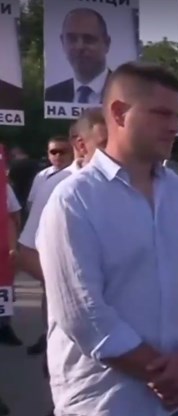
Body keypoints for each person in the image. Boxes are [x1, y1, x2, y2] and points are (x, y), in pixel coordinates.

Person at [35, 62, 178, 415]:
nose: (175, 126)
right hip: (108, 402)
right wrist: (164, 374)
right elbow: (82, 312)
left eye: (177, 115)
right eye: (162, 114)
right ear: (120, 113)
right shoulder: (74, 200)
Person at [19, 109, 107, 358]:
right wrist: (65, 287)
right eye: (104, 144)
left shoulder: (142, 185)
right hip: (76, 343)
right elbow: (27, 252)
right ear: (81, 145)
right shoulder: (56, 186)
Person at [45, 8, 112, 103]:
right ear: (62, 42)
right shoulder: (50, 96)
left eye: (89, 39)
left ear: (107, 44)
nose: (79, 47)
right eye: (72, 39)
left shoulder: (127, 91)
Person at [0, 183, 21, 347]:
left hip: (3, 249)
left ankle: (3, 327)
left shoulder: (4, 188)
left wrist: (13, 247)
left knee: (4, 288)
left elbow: (13, 218)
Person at [27, 136, 73, 209]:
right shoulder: (42, 175)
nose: (58, 155)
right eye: (53, 152)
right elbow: (32, 202)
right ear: (48, 154)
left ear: (72, 152)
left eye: (63, 152)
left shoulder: (79, 174)